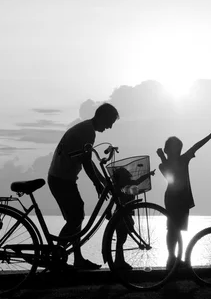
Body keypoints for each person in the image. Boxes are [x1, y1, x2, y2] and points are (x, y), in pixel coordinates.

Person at [47, 102, 119, 270]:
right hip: (61, 179)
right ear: (102, 117)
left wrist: (101, 181)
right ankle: (57, 256)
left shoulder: (86, 129)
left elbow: (87, 160)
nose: (109, 127)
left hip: (63, 178)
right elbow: (87, 162)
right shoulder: (87, 132)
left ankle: (76, 258)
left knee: (77, 216)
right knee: (76, 218)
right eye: (109, 122)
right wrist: (97, 183)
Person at [157, 128, 211, 269]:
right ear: (167, 150)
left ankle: (176, 259)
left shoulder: (183, 159)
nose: (177, 151)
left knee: (178, 229)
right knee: (172, 229)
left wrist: (209, 136)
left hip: (183, 199)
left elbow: (196, 146)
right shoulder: (164, 164)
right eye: (174, 149)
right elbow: (169, 174)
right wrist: (162, 158)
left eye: (178, 149)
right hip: (173, 198)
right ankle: (171, 258)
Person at [110, 166, 156, 270]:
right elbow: (113, 200)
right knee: (121, 239)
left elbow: (138, 181)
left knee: (121, 239)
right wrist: (148, 174)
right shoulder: (121, 187)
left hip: (123, 215)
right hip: (122, 215)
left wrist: (148, 174)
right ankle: (119, 261)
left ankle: (119, 261)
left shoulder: (124, 186)